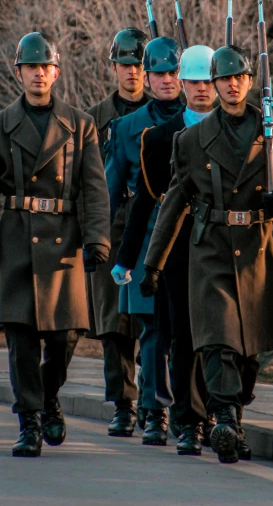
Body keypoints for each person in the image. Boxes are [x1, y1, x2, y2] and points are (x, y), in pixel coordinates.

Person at [142, 44, 273, 464]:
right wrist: (152, 263)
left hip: (259, 251)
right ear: (214, 84)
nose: (232, 84)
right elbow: (175, 202)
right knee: (218, 341)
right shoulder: (192, 140)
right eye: (224, 78)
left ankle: (235, 409)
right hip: (212, 248)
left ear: (250, 81)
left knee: (249, 353)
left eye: (239, 77)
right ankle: (224, 419)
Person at [0, 32, 110, 458]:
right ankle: (29, 419)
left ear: (56, 71)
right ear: (18, 73)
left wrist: (97, 238)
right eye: (30, 67)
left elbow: (94, 188)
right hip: (15, 238)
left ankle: (48, 398)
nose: (38, 74)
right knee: (22, 339)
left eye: (44, 67)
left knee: (66, 335)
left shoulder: (81, 124)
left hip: (64, 240)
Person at [117, 45, 215, 456]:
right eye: (193, 81)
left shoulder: (240, 130)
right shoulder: (159, 137)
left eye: (205, 81)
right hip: (173, 245)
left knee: (222, 337)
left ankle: (220, 413)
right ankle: (185, 418)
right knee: (177, 336)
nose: (199, 89)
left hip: (221, 246)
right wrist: (126, 256)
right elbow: (143, 198)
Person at [106, 36, 183, 446]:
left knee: (187, 332)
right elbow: (111, 190)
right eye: (159, 73)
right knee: (153, 330)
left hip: (191, 238)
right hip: (146, 236)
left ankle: (192, 411)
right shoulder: (126, 128)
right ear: (147, 78)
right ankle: (154, 411)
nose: (167, 80)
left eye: (174, 72)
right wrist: (107, 247)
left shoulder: (201, 117)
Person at [85, 28, 150, 438]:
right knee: (113, 323)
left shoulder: (167, 110)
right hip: (111, 225)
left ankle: (153, 400)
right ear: (113, 67)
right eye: (125, 65)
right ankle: (123, 404)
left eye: (139, 65)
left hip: (151, 227)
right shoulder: (95, 118)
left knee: (153, 320)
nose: (132, 73)